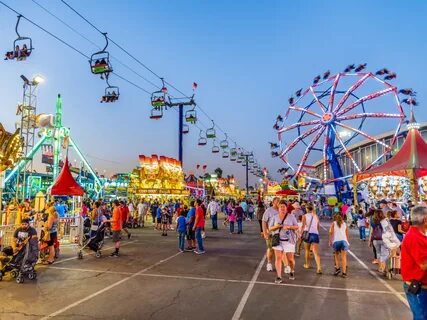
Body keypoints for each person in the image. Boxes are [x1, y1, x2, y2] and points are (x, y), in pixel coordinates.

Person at [401, 205, 427, 320]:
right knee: (421, 317)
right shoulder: (414, 237)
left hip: (421, 286)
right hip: (418, 287)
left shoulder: (419, 235)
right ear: (425, 220)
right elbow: (423, 265)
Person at [270, 200, 299, 283]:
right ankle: (279, 276)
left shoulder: (291, 216)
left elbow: (296, 227)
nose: (282, 208)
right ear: (278, 208)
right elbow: (270, 228)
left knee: (290, 260)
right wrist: (276, 226)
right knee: (278, 258)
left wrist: (289, 226)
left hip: (289, 240)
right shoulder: (274, 217)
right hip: (278, 240)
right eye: (281, 207)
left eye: (284, 207)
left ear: (286, 208)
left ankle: (292, 271)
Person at [302, 204, 322, 274]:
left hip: (308, 234)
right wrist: (317, 233)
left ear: (307, 209)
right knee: (315, 252)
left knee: (307, 250)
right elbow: (318, 226)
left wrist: (300, 233)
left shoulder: (304, 216)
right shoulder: (316, 216)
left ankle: (307, 264)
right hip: (315, 234)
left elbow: (303, 225)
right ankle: (319, 267)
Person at [262, 197, 280, 272]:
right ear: (273, 202)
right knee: (271, 249)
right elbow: (264, 221)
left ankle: (281, 265)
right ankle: (269, 263)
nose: (278, 203)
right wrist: (265, 232)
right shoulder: (269, 210)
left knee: (280, 250)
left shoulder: (282, 210)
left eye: (279, 201)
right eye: (277, 201)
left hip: (281, 234)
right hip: (271, 233)